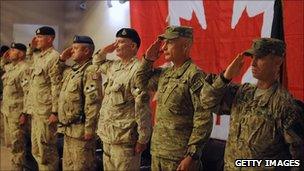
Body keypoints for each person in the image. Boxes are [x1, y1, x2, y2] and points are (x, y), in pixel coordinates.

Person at [200, 38, 304, 170]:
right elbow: (207, 102)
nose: (253, 64)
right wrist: (225, 77)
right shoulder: (243, 92)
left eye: (260, 58)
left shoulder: (285, 105)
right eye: (252, 58)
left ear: (278, 61)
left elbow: (297, 161)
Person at [135, 26, 213, 171]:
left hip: (179, 156)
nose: (163, 47)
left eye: (169, 43)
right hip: (158, 151)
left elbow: (203, 118)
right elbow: (140, 82)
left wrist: (192, 156)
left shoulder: (195, 76)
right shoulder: (166, 73)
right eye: (164, 43)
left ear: (185, 46)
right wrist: (148, 59)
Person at [93, 28, 151, 171]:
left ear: (133, 46)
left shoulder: (138, 70)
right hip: (108, 135)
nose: (116, 45)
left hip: (126, 139)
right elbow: (97, 64)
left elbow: (142, 106)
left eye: (121, 42)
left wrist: (143, 138)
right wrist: (105, 50)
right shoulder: (114, 66)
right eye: (116, 42)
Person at [57, 35, 102, 170]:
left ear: (87, 51)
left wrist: (89, 129)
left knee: (81, 167)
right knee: (68, 167)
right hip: (69, 129)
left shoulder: (90, 71)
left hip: (81, 131)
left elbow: (93, 103)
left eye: (76, 48)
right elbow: (54, 75)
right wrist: (61, 59)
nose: (72, 51)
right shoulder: (73, 70)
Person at [26, 26, 62, 170]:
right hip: (36, 112)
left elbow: (56, 86)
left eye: (41, 37)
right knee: (36, 151)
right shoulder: (38, 56)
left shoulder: (54, 57)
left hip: (46, 113)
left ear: (51, 38)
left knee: (47, 152)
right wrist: (31, 47)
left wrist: (55, 111)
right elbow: (28, 68)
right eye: (37, 37)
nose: (37, 40)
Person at [1, 43, 31, 170]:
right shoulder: (11, 68)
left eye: (13, 50)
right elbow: (2, 65)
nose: (10, 52)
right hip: (8, 113)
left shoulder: (24, 69)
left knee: (17, 147)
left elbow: (28, 93)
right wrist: (4, 57)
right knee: (11, 145)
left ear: (20, 54)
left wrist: (24, 113)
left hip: (17, 114)